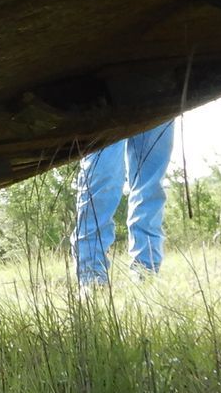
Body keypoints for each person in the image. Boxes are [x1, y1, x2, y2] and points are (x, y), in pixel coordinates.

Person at [70, 118, 176, 288]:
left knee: (150, 187)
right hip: (104, 103)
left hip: (160, 101)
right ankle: (92, 280)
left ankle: (146, 276)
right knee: (102, 177)